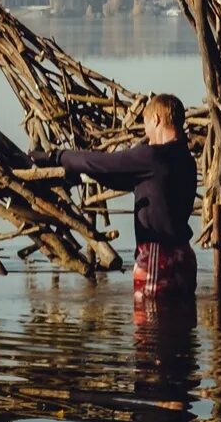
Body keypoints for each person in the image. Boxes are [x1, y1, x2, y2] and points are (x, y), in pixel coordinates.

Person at [56, 94, 198, 299]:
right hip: (184, 257)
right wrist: (93, 174)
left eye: (146, 124)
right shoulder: (185, 159)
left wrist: (58, 157)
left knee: (150, 322)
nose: (146, 133)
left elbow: (100, 162)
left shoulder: (153, 156)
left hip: (158, 257)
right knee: (180, 325)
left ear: (156, 119)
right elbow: (120, 178)